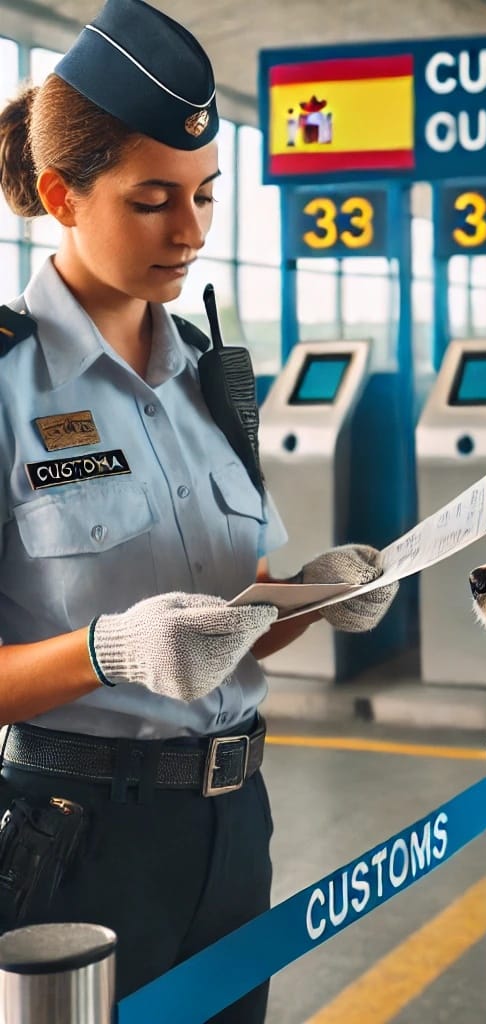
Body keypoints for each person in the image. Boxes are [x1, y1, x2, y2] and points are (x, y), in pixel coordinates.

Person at [0, 0, 396, 1019]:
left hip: (233, 828)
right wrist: (108, 652)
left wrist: (318, 596)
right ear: (60, 195)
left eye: (207, 196)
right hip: (72, 841)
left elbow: (229, 626)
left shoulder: (209, 379)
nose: (190, 231)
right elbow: (142, 648)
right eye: (151, 200)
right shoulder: (8, 385)